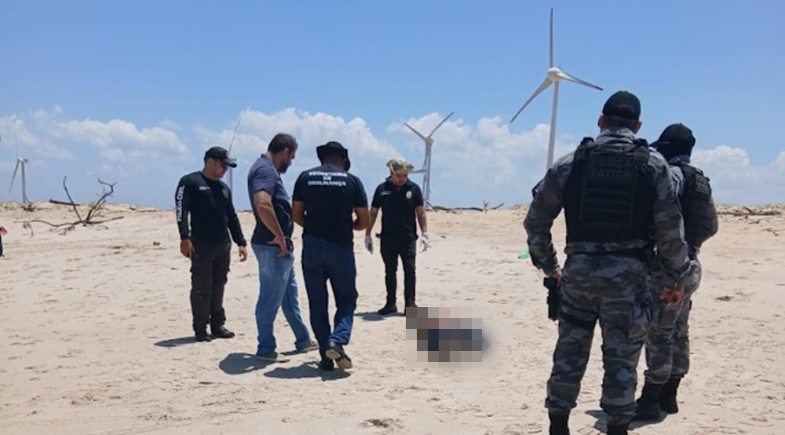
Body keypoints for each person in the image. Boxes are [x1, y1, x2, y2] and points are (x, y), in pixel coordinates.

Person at [523, 91, 691, 435]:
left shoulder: (571, 162)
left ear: (601, 120)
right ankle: (616, 427)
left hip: (578, 276)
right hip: (629, 281)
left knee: (569, 355)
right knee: (622, 361)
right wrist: (675, 278)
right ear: (638, 126)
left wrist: (550, 267)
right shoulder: (653, 165)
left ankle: (558, 424)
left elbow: (536, 221)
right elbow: (670, 230)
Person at [633, 123, 719, 420]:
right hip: (691, 263)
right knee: (679, 330)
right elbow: (711, 226)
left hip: (668, 266)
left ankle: (650, 399)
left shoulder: (673, 176)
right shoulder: (700, 179)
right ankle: (670, 395)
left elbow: (664, 217)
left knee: (659, 331)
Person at [292, 141, 370, 371]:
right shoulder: (352, 181)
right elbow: (364, 220)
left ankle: (326, 358)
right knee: (346, 299)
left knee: (318, 303)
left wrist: (315, 228)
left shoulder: (305, 178)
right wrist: (347, 226)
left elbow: (296, 215)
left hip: (312, 245)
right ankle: (337, 340)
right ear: (343, 161)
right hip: (340, 245)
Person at [247, 133, 316, 363]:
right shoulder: (265, 170)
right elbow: (263, 203)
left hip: (278, 246)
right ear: (285, 152)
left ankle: (303, 339)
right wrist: (278, 235)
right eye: (292, 157)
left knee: (289, 296)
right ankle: (265, 348)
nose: (291, 162)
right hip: (272, 245)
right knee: (270, 298)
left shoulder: (264, 168)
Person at [175, 146, 248, 342]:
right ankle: (200, 328)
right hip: (201, 244)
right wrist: (184, 237)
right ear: (210, 161)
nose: (225, 170)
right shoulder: (190, 182)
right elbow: (181, 210)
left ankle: (218, 325)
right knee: (202, 287)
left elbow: (231, 216)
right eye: (223, 165)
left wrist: (240, 242)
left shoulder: (224, 189)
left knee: (219, 285)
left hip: (223, 244)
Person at [366, 158, 429, 315]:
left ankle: (410, 304)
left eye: (405, 176)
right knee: (390, 271)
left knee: (410, 269)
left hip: (408, 238)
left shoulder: (414, 189)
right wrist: (368, 234)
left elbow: (420, 212)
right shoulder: (382, 189)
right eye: (399, 176)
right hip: (388, 238)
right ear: (391, 174)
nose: (402, 179)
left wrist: (425, 233)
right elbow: (373, 212)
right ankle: (390, 303)